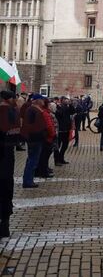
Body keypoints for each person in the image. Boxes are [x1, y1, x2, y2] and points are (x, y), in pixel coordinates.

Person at [0, 91, 21, 238]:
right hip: (7, 155)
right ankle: (4, 226)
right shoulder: (11, 111)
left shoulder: (11, 111)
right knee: (6, 189)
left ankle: (4, 225)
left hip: (6, 154)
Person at [21, 94, 48, 188]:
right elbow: (30, 125)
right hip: (34, 139)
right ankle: (28, 181)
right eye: (42, 100)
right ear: (37, 100)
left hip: (36, 138)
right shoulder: (32, 110)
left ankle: (29, 179)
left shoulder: (36, 110)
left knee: (32, 160)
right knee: (32, 160)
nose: (43, 102)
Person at [35, 99, 57, 178]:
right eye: (50, 105)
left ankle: (41, 170)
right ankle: (43, 171)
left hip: (47, 136)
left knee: (44, 155)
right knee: (44, 156)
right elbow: (49, 126)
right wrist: (53, 134)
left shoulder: (45, 112)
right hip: (48, 137)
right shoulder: (45, 113)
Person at [55, 96, 75, 165]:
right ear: (61, 100)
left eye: (67, 99)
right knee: (58, 146)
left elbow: (73, 111)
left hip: (66, 129)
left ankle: (61, 158)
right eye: (65, 99)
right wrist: (61, 107)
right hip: (60, 130)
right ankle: (57, 160)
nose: (66, 101)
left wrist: (71, 104)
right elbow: (59, 114)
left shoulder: (67, 107)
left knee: (65, 145)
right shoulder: (59, 107)